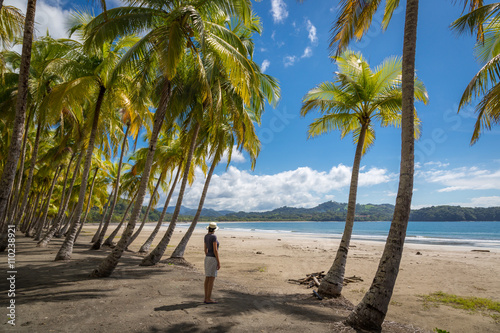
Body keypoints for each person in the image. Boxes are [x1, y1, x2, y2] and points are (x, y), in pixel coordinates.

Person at [204, 222, 220, 304]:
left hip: (207, 258)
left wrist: (208, 256)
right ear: (214, 229)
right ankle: (208, 298)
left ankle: (206, 297)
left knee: (207, 278)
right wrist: (218, 261)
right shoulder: (213, 237)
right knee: (211, 278)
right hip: (213, 258)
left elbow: (205, 249)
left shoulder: (206, 236)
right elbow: (215, 250)